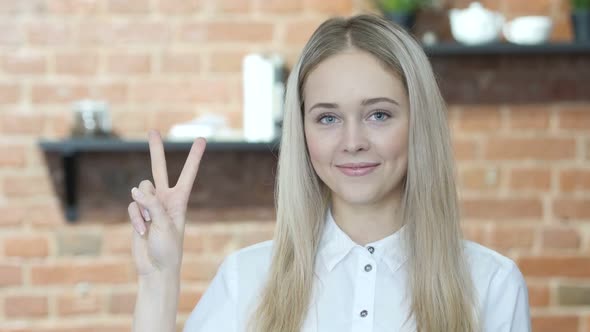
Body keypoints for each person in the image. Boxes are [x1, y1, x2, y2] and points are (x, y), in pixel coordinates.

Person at [128, 14, 531, 332]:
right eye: (327, 118)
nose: (352, 141)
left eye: (378, 114)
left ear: (418, 122)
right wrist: (158, 281)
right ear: (302, 130)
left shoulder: (492, 284)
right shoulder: (246, 278)